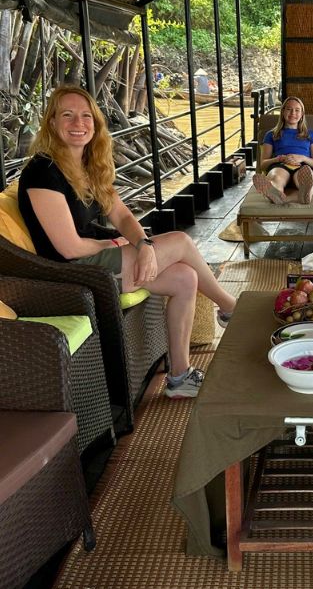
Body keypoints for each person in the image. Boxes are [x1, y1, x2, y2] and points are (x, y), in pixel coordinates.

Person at [18, 86, 238, 399]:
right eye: (67, 115)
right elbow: (68, 248)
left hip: (93, 259)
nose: (78, 122)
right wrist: (115, 247)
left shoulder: (87, 166)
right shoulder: (43, 171)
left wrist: (143, 246)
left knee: (185, 278)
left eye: (85, 116)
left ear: (95, 123)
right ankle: (229, 307)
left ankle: (179, 377)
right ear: (52, 123)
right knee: (180, 241)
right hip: (71, 272)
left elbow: (122, 217)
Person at [254, 96, 313, 205]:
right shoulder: (271, 135)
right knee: (276, 176)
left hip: (302, 166)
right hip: (280, 165)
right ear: (283, 112)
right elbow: (263, 165)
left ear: (302, 114)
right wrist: (278, 159)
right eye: (289, 109)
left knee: (305, 178)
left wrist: (302, 158)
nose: (293, 113)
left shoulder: (311, 134)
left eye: (297, 110)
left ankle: (306, 193)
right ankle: (275, 192)